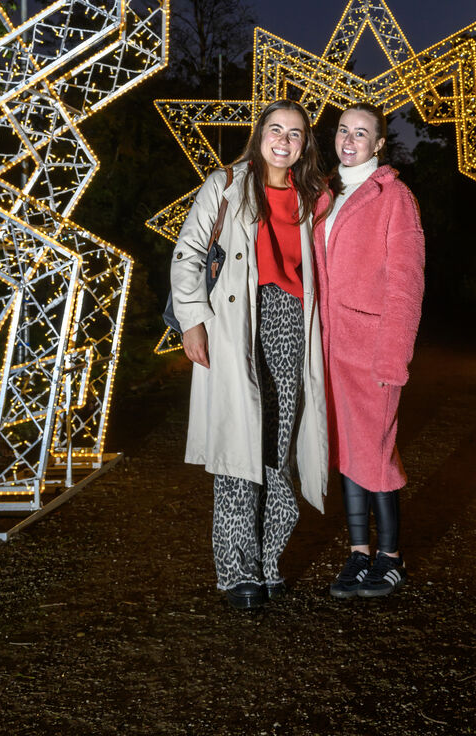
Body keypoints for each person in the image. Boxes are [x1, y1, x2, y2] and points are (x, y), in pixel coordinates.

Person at [171, 99, 328, 610]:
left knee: (278, 447)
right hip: (235, 322)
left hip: (290, 322)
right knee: (239, 447)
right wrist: (192, 320)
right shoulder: (225, 184)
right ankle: (237, 571)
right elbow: (189, 251)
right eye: (276, 129)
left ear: (304, 145)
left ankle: (268, 561)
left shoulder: (313, 195)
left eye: (296, 133)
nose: (284, 139)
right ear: (259, 134)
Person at [313, 103, 424, 599]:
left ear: (379, 144)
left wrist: (393, 357)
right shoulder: (323, 196)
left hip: (372, 347)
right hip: (329, 349)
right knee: (346, 450)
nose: (350, 140)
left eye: (362, 133)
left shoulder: (394, 197)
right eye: (343, 130)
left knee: (376, 453)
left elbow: (406, 283)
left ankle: (391, 558)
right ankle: (359, 554)